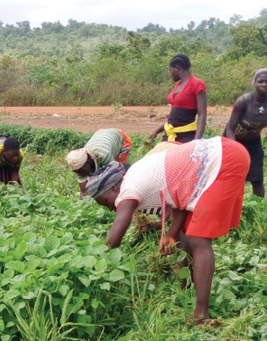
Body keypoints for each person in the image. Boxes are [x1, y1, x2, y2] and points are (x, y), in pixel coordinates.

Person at [87, 137, 250, 322]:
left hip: (223, 159)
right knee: (185, 235)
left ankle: (201, 314)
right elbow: (179, 202)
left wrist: (93, 267)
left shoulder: (128, 188)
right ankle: (186, 289)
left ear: (115, 187)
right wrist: (171, 235)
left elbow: (113, 239)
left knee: (198, 240)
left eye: (105, 202)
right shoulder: (137, 174)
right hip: (222, 154)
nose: (110, 208)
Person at [224, 68, 267, 198]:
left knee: (257, 177)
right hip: (233, 139)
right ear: (254, 83)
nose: (264, 84)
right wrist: (234, 150)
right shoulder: (243, 101)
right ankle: (229, 203)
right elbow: (230, 129)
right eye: (260, 81)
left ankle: (259, 209)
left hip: (253, 140)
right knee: (231, 175)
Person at [147, 55, 207, 144]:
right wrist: (157, 131)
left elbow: (202, 114)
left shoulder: (197, 84)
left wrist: (196, 142)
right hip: (169, 135)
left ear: (177, 68)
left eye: (170, 70)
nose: (170, 73)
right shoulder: (178, 85)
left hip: (185, 136)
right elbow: (175, 116)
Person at [66, 128, 132, 196]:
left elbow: (112, 174)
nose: (80, 174)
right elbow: (83, 191)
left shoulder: (103, 155)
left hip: (120, 138)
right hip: (101, 135)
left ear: (88, 161)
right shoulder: (79, 163)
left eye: (81, 172)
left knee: (120, 170)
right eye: (77, 172)